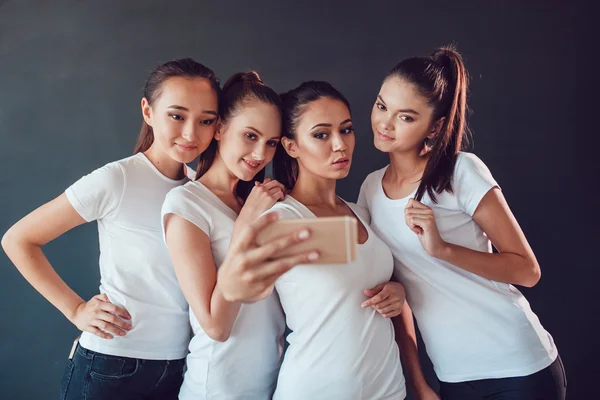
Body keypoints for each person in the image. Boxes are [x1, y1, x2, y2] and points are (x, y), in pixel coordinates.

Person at [2, 58, 220, 399]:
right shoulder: (118, 179)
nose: (191, 133)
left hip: (179, 368)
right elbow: (18, 239)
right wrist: (75, 309)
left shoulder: (197, 192)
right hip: (111, 367)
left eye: (205, 120)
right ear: (148, 112)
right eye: (177, 115)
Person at [358, 46, 566, 400]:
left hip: (518, 367)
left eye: (406, 117)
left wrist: (442, 249)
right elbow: (395, 289)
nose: (385, 123)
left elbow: (527, 270)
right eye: (382, 106)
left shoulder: (460, 171)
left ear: (435, 126)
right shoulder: (370, 190)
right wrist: (419, 382)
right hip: (452, 375)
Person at [161, 72, 319, 399]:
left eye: (271, 143)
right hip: (216, 387)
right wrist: (246, 222)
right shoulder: (186, 205)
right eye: (250, 135)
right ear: (219, 129)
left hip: (272, 383)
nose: (260, 154)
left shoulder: (260, 201)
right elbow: (215, 326)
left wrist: (389, 286)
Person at [268, 81, 407, 400]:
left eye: (346, 130)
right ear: (291, 146)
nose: (340, 144)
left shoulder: (362, 213)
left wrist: (398, 290)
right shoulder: (281, 220)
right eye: (321, 134)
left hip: (388, 389)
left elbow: (358, 272)